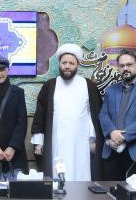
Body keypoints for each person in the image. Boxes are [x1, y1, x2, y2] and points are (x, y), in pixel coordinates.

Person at [31, 44, 104, 181]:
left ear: (78, 65)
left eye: (71, 63)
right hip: (55, 141)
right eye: (64, 63)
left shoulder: (88, 86)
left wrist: (93, 139)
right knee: (56, 174)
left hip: (81, 143)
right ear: (59, 64)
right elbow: (40, 115)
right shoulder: (50, 86)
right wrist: (39, 142)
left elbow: (94, 115)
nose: (67, 66)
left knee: (80, 173)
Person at [98, 50, 136, 180]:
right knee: (110, 191)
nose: (125, 68)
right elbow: (103, 115)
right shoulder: (111, 90)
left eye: (129, 64)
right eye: (122, 65)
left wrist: (122, 136)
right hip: (112, 151)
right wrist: (112, 133)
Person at [0, 55, 28, 179]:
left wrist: (13, 147)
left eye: (2, 70)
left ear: (8, 70)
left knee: (16, 189)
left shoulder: (18, 93)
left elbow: (22, 122)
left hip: (15, 155)